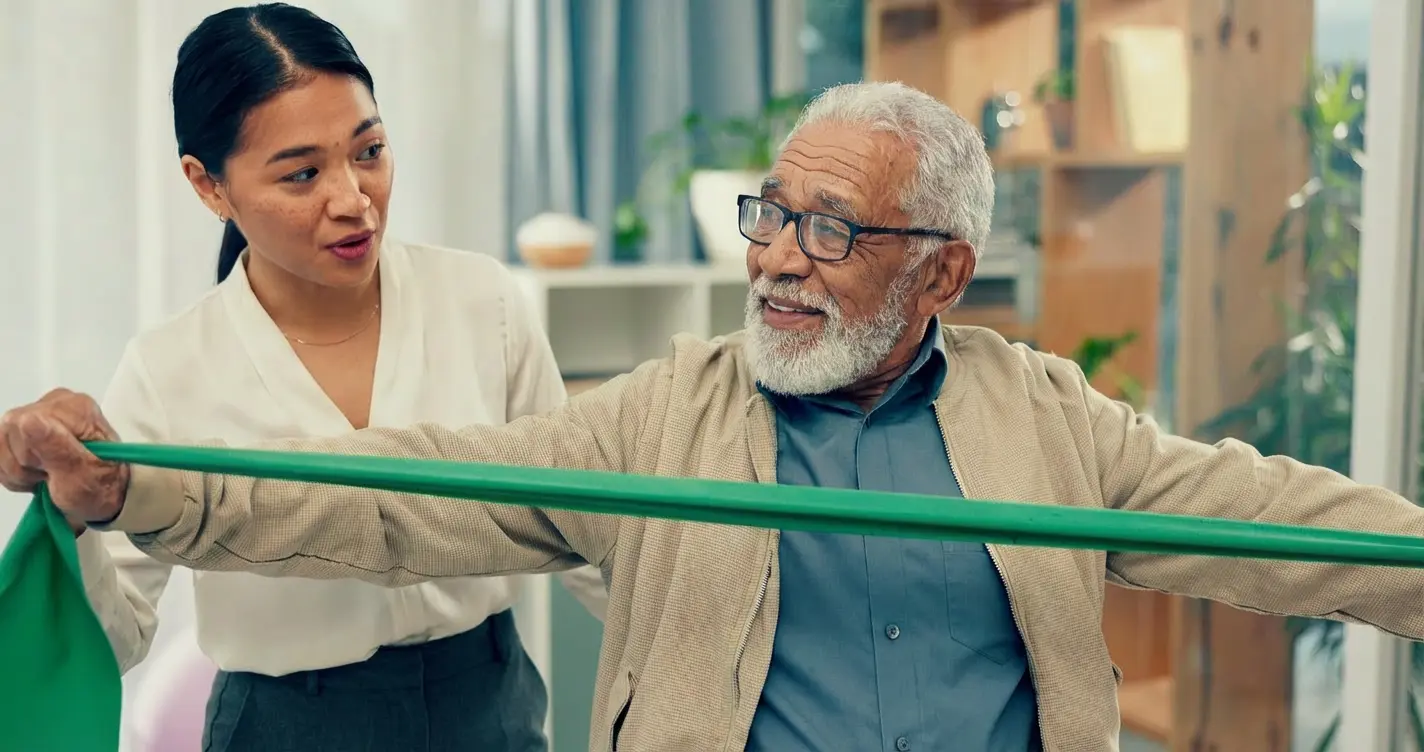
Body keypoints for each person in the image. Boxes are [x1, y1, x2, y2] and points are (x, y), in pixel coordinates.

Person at [5, 81, 1423, 752]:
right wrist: (141, 491)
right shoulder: (658, 421)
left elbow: (1262, 515)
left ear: (940, 270)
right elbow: (399, 494)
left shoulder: (1047, 420)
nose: (776, 255)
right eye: (771, 212)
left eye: (830, 226)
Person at [43, 5, 607, 752]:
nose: (352, 200)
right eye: (303, 173)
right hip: (284, 727)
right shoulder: (168, 367)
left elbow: (580, 525)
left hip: (487, 707)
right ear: (209, 186)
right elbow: (114, 638)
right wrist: (78, 517)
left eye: (369, 151)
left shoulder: (483, 303)